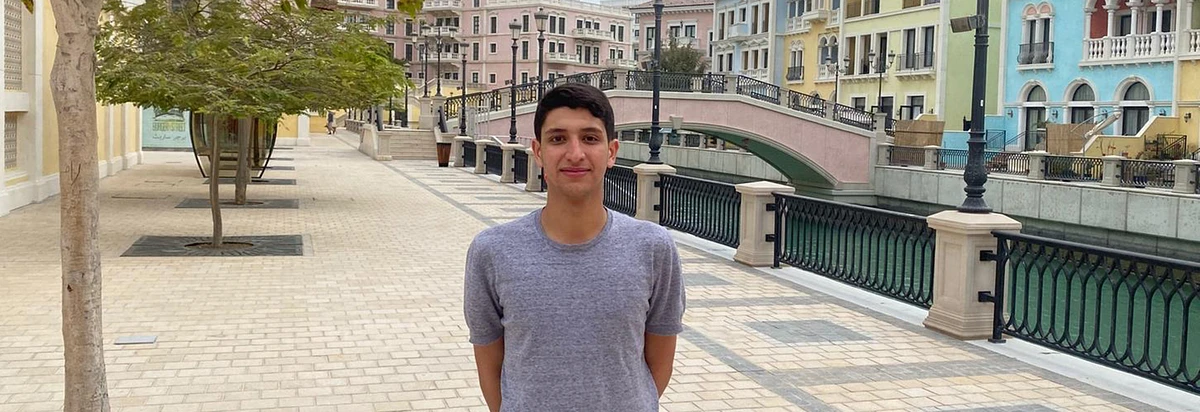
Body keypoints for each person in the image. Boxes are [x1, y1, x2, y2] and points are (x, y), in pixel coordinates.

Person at [463, 82, 685, 412]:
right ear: (538, 152)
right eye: (558, 139)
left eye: (590, 138)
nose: (575, 153)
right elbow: (490, 367)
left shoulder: (653, 248)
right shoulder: (492, 251)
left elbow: (659, 364)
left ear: (611, 152)